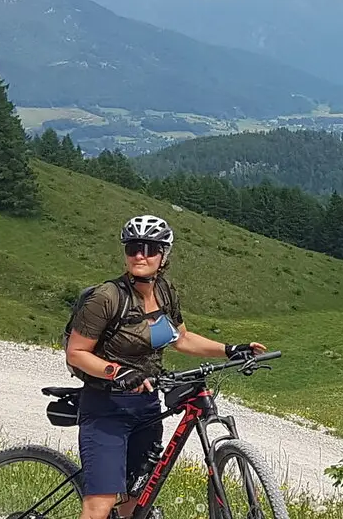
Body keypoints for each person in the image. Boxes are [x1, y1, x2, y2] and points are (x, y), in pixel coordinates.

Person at [64, 214, 267, 519]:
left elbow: (180, 339)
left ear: (163, 255)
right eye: (133, 247)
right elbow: (77, 353)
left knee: (135, 502)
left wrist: (229, 350)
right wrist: (118, 372)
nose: (140, 255)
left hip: (147, 407)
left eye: (149, 248)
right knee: (100, 505)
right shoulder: (107, 297)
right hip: (106, 408)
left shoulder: (164, 292)